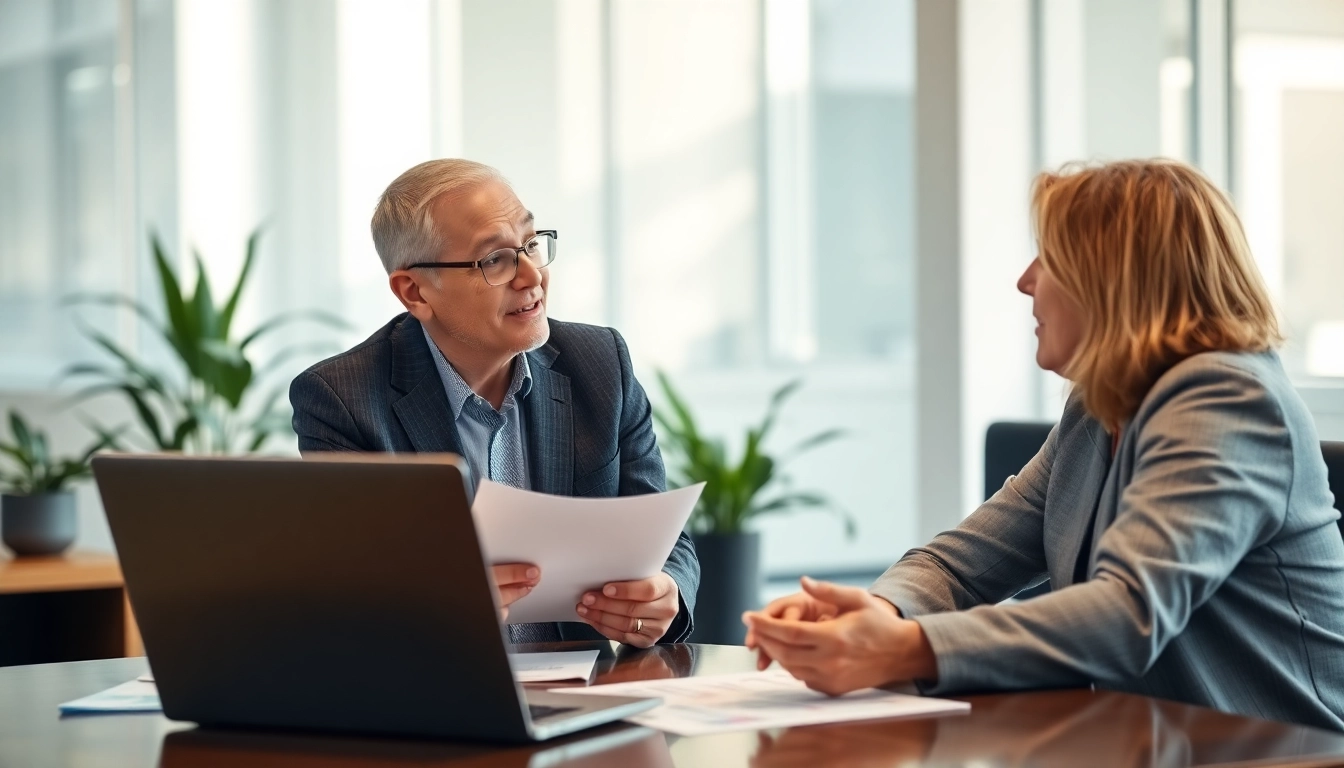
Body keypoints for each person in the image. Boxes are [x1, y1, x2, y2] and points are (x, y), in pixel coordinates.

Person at [744, 159, 1344, 730]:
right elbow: (960, 564)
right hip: (1157, 747)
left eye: (1049, 259)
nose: (1025, 281)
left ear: (1115, 279)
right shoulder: (1098, 407)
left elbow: (1126, 614)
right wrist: (881, 614)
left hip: (1287, 756)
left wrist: (906, 649)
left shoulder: (1226, 397)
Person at [290, 159, 699, 647]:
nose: (532, 276)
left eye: (530, 244)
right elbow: (352, 589)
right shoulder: (344, 399)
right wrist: (439, 600)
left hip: (591, 691)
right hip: (446, 696)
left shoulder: (600, 364)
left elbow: (665, 537)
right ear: (414, 291)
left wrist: (663, 594)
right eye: (495, 261)